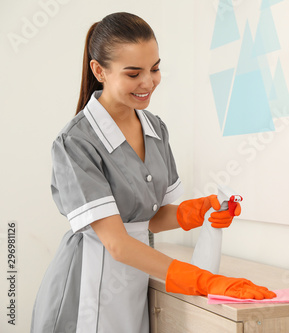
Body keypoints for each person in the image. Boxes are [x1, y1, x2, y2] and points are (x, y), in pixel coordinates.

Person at [31, 12, 275, 333]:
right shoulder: (76, 142)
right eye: (134, 73)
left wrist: (197, 211)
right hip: (87, 289)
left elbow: (150, 219)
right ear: (99, 70)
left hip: (135, 283)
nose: (148, 82)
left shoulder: (155, 129)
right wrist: (203, 280)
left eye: (155, 68)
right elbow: (117, 243)